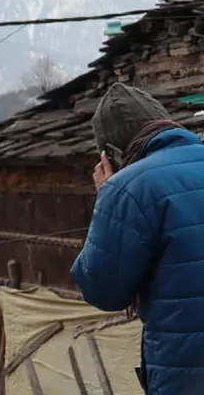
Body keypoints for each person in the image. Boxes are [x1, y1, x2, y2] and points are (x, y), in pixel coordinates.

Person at [71, 82, 204, 394]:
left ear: (109, 155)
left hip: (186, 373)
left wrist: (107, 196)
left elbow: (102, 290)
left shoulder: (126, 187)